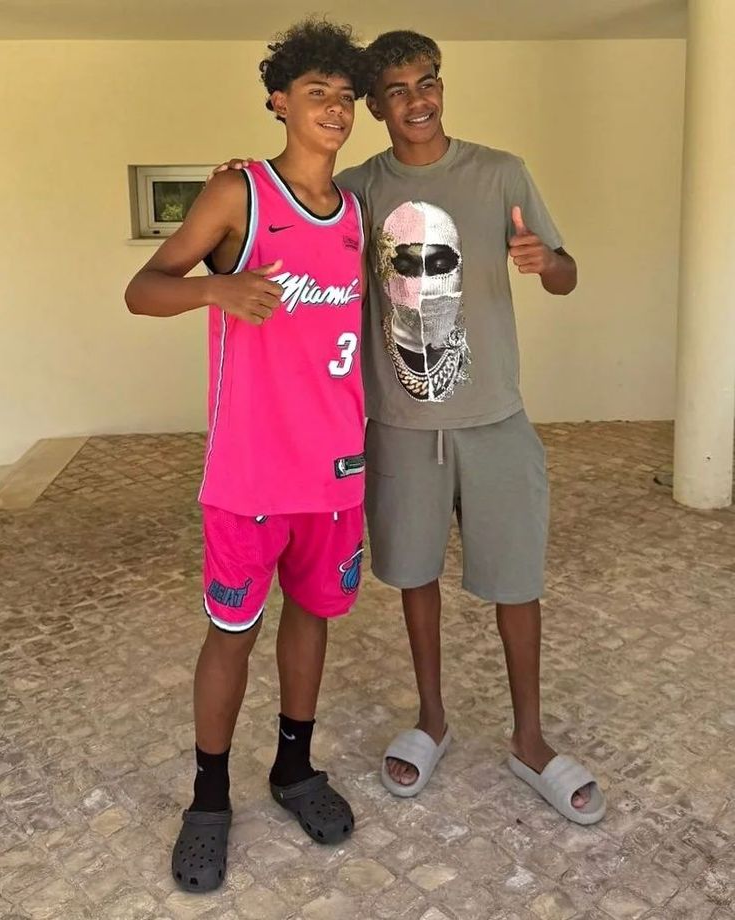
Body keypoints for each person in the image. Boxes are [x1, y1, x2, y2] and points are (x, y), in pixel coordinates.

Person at [215, 29, 606, 826]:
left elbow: (565, 275)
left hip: (495, 419)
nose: (417, 100)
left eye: (427, 82)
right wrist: (235, 180)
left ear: (440, 85)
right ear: (375, 105)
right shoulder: (357, 190)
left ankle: (529, 738)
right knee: (415, 577)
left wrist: (546, 262)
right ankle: (431, 719)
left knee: (516, 582)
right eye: (395, 90)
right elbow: (295, 204)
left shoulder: (500, 172)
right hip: (394, 425)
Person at [125, 19, 369, 893]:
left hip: (338, 470)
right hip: (250, 473)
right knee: (233, 631)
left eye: (346, 98)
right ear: (279, 101)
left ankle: (295, 769)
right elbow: (142, 289)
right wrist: (216, 288)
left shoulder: (357, 210)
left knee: (313, 617)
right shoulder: (241, 193)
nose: (335, 110)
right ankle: (209, 797)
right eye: (317, 94)